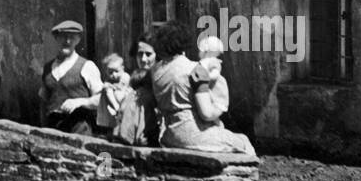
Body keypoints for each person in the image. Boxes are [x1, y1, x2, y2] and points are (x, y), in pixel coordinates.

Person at [150, 21, 254, 155]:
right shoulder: (195, 70)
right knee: (243, 140)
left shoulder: (155, 72)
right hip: (194, 136)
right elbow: (206, 114)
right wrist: (220, 107)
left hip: (169, 135)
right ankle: (250, 174)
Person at [39, 20, 103, 134]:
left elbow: (101, 99)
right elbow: (44, 101)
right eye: (63, 37)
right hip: (53, 132)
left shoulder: (87, 66)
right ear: (56, 38)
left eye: (72, 37)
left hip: (79, 132)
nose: (67, 41)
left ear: (78, 40)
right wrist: (43, 128)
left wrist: (80, 102)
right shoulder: (48, 68)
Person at [115, 34, 160, 146]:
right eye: (140, 54)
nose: (143, 59)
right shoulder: (135, 77)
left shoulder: (160, 78)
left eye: (148, 54)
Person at [95, 53, 131, 137]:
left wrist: (114, 86)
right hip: (113, 110)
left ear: (122, 69)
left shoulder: (125, 77)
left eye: (116, 71)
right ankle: (116, 108)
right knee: (108, 91)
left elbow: (123, 86)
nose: (114, 75)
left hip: (125, 103)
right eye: (110, 72)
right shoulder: (108, 82)